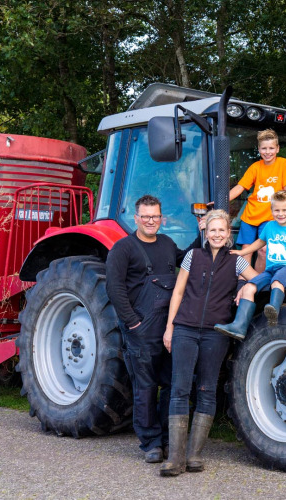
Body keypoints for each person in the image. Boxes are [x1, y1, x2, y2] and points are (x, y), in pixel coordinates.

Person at [159, 210, 258, 476]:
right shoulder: (193, 256)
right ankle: (175, 459)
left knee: (206, 390)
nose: (216, 235)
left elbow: (259, 278)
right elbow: (178, 291)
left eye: (221, 231)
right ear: (206, 232)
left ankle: (194, 456)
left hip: (216, 332)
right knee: (179, 389)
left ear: (228, 234)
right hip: (185, 329)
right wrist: (170, 327)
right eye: (212, 230)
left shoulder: (236, 261)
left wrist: (247, 289)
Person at [105, 194, 187, 463]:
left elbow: (186, 260)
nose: (151, 221)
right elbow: (114, 289)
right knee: (146, 387)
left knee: (171, 383)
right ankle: (150, 442)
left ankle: (166, 439)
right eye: (146, 216)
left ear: (162, 218)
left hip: (168, 327)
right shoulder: (123, 249)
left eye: (156, 216)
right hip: (141, 327)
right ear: (136, 218)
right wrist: (132, 322)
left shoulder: (167, 243)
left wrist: (204, 234)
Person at [215, 190, 286, 340]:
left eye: (285, 210)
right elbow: (260, 242)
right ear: (271, 211)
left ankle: (273, 310)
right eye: (277, 210)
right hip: (271, 269)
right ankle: (239, 326)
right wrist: (242, 252)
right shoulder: (269, 227)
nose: (281, 214)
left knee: (277, 282)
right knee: (248, 287)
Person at [229, 128, 286, 271]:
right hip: (251, 215)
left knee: (263, 251)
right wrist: (220, 200)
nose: (267, 151)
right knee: (247, 249)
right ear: (259, 149)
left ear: (277, 149)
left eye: (271, 148)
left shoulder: (283, 163)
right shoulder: (255, 167)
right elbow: (240, 187)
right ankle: (242, 283)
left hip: (270, 216)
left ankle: (257, 283)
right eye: (264, 148)